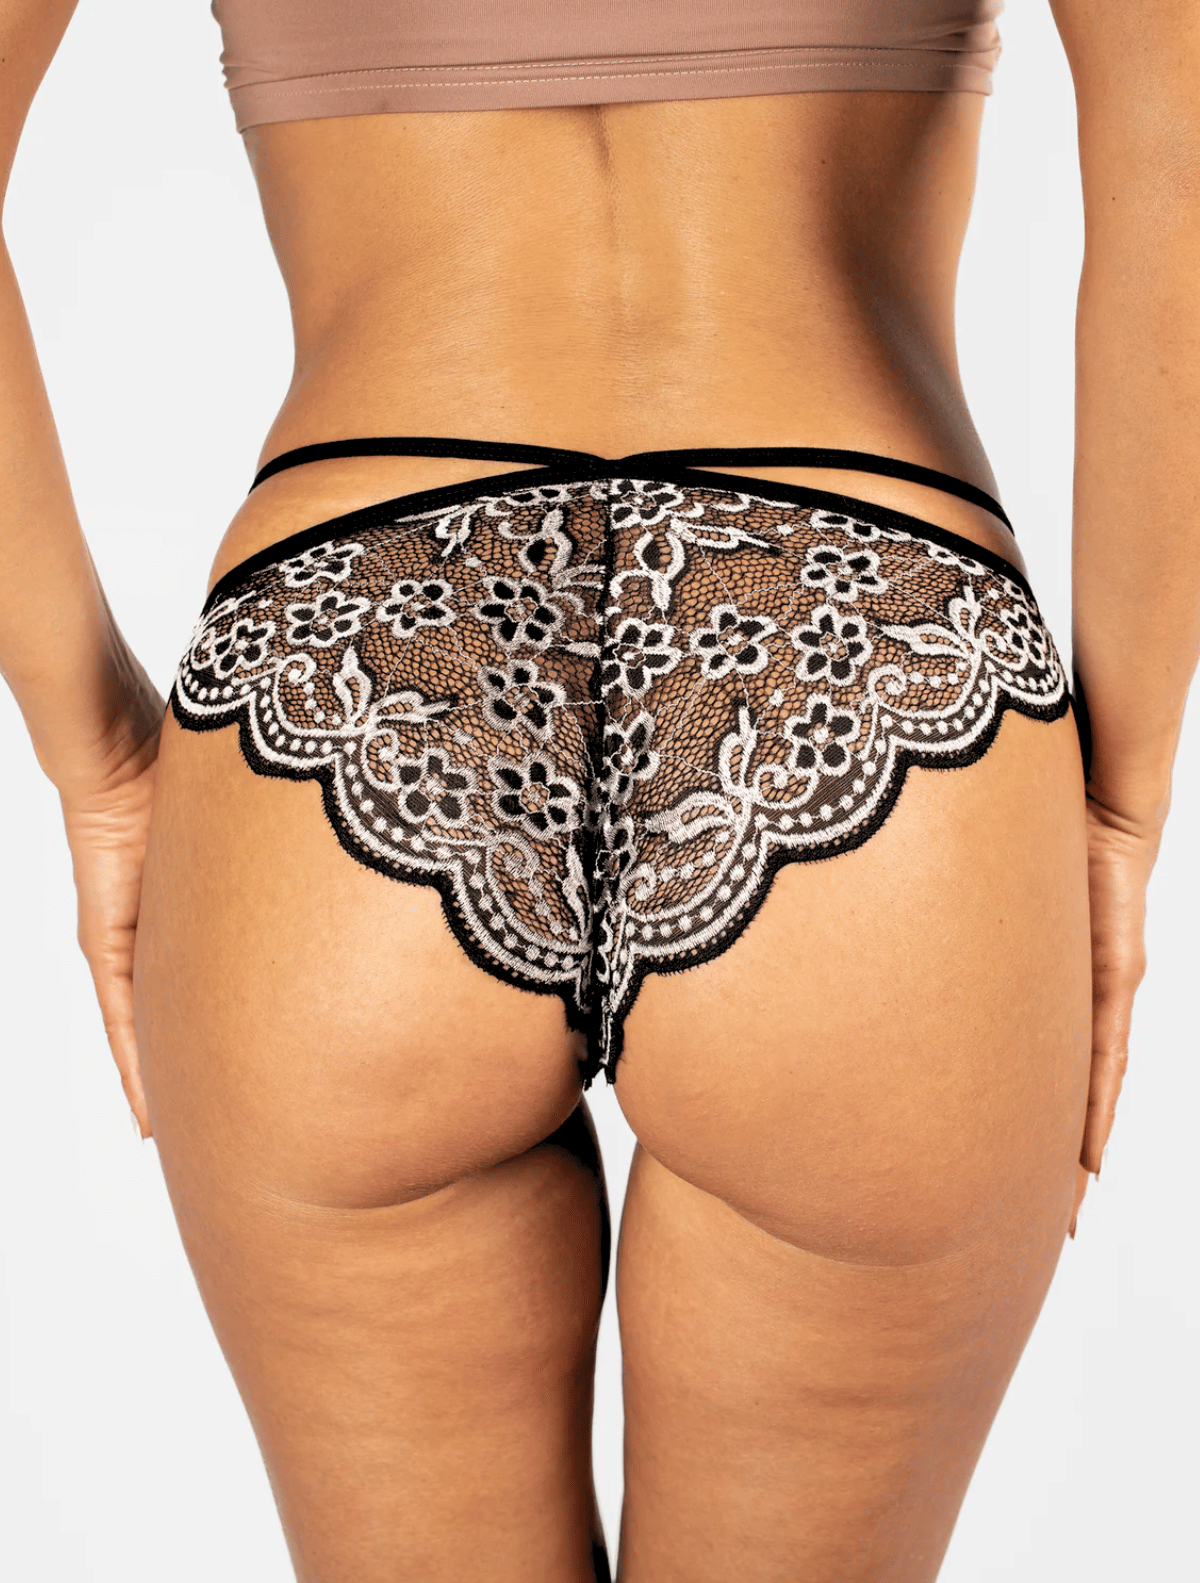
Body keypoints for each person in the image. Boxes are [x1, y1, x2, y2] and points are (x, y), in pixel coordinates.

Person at [1, 2, 1195, 1579]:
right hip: (862, 639)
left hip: (358, 650)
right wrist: (1123, 798)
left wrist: (96, 755)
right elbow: (1178, 143)